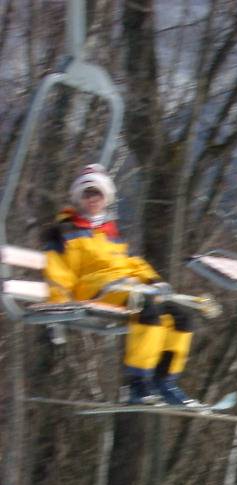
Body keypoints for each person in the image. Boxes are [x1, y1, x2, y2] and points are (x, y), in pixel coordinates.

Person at [43, 164, 198, 406]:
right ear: (78, 197)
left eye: (97, 194)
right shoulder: (64, 231)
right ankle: (138, 383)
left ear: (106, 197)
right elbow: (57, 270)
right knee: (146, 306)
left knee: (180, 314)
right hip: (93, 289)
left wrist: (154, 281)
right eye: (87, 194)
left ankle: (165, 381)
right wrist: (58, 305)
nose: (92, 199)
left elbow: (132, 263)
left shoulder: (110, 232)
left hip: (124, 286)